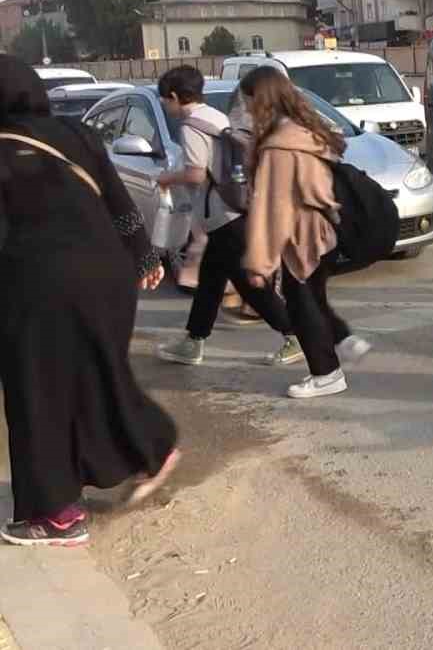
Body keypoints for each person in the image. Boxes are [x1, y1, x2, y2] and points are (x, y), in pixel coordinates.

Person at [0, 57, 179, 546]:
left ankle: (55, 514)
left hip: (40, 287)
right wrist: (144, 257)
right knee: (98, 372)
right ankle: (153, 445)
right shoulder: (75, 135)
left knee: (39, 393)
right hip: (108, 278)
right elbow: (117, 199)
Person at [153, 65, 301, 368]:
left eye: (164, 101)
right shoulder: (216, 116)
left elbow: (196, 174)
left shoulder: (191, 126)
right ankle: (193, 342)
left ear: (173, 97)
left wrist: (168, 178)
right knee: (209, 283)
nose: (165, 107)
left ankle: (297, 335)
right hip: (233, 212)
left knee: (250, 287)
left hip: (224, 217)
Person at [239, 67, 370, 399]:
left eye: (248, 101)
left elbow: (272, 207)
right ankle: (344, 340)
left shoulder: (278, 147)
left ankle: (326, 373)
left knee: (300, 305)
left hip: (301, 236)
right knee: (313, 297)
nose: (245, 108)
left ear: (261, 100)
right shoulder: (306, 130)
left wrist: (260, 262)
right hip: (324, 229)